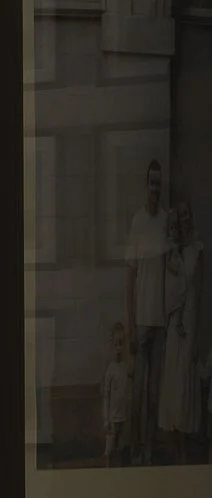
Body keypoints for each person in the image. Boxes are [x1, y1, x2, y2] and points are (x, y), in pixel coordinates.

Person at [123, 158, 172, 434]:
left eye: (158, 183)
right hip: (141, 320)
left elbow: (172, 271)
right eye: (151, 182)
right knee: (138, 391)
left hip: (160, 320)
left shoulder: (167, 221)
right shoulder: (138, 222)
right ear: (146, 185)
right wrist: (131, 325)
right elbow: (130, 279)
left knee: (154, 392)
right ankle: (134, 447)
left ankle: (150, 447)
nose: (155, 188)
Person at [156, 197, 205, 459]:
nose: (184, 219)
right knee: (174, 377)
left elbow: (200, 291)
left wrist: (197, 332)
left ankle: (187, 446)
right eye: (180, 216)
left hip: (192, 318)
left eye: (187, 215)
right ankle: (176, 450)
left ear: (191, 217)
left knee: (187, 372)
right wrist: (175, 319)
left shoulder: (197, 249)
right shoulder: (172, 251)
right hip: (177, 321)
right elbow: (171, 289)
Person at [98, 324, 136, 466]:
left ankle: (116, 463)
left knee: (119, 440)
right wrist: (106, 419)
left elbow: (131, 375)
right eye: (116, 345)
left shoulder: (125, 367)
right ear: (112, 346)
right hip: (112, 413)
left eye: (121, 344)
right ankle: (107, 461)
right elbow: (106, 395)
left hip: (122, 411)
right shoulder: (111, 369)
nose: (118, 348)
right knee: (111, 440)